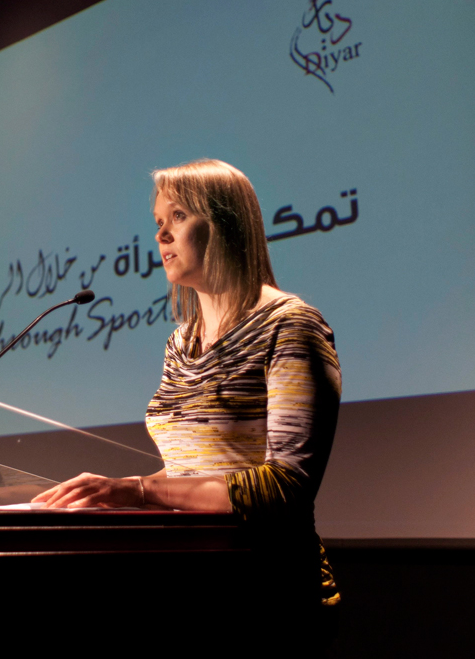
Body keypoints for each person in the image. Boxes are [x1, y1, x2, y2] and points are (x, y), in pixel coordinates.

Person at [33, 159, 343, 616]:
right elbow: (192, 475)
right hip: (186, 584)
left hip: (269, 594)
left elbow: (285, 489)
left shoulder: (291, 327)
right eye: (159, 222)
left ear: (225, 224)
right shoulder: (181, 343)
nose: (161, 236)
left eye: (178, 217)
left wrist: (137, 490)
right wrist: (100, 493)